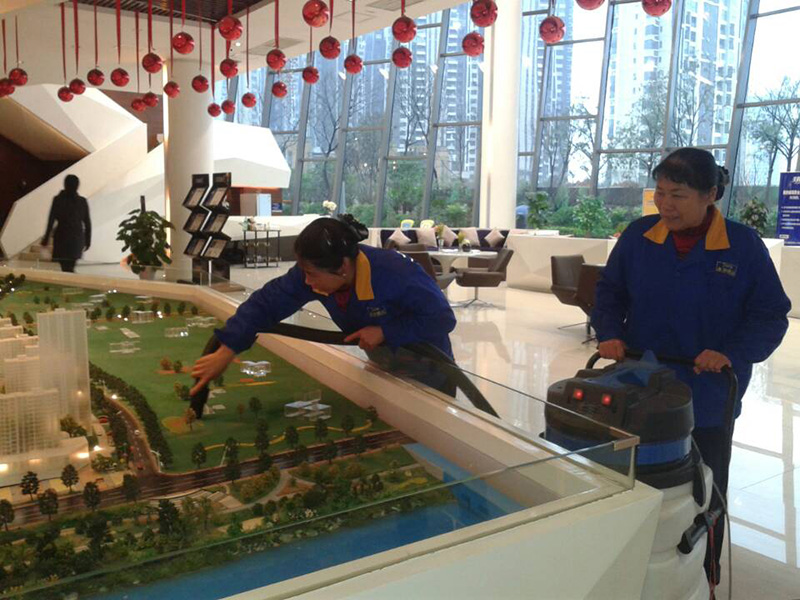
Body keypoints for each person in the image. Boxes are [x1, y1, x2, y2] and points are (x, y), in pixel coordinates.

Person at [591, 147, 791, 583]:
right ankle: (635, 568)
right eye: (660, 193)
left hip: (708, 392)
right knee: (638, 480)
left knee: (705, 485)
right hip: (638, 385)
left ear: (711, 195)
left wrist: (730, 353)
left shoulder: (742, 246)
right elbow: (609, 292)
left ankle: (706, 570)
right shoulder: (640, 236)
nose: (665, 205)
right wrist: (608, 331)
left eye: (678, 195)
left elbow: (771, 314)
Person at [190, 215, 457, 396]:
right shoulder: (314, 274)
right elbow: (265, 304)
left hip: (430, 369)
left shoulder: (395, 272)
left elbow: (442, 317)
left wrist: (385, 331)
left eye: (312, 274)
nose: (306, 281)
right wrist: (226, 350)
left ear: (343, 267)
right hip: (386, 368)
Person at [42, 174, 91, 273]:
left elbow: (51, 221)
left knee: (64, 266)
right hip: (76, 238)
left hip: (62, 237)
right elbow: (87, 222)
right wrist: (88, 239)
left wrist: (46, 238)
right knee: (70, 266)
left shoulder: (58, 200)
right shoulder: (82, 201)